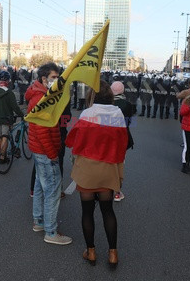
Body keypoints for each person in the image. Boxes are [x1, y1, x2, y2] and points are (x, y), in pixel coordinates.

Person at [65, 80, 128, 269]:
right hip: (108, 167)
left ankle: (91, 251)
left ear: (93, 95)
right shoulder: (118, 114)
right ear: (110, 95)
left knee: (87, 212)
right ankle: (113, 254)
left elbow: (74, 140)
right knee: (108, 211)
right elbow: (122, 144)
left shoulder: (87, 114)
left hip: (87, 168)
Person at [25, 62, 72, 245]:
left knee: (39, 185)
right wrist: (53, 153)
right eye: (54, 77)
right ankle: (51, 232)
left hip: (39, 150)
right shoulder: (41, 99)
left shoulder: (41, 94)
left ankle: (38, 221)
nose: (57, 80)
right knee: (52, 190)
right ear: (44, 79)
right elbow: (42, 130)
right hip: (45, 151)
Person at [0, 70, 24, 164]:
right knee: (5, 137)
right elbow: (15, 107)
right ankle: (3, 156)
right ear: (8, 81)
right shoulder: (9, 93)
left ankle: (2, 154)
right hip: (7, 119)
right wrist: (21, 114)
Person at [111, 81, 135, 202]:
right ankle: (117, 191)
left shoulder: (106, 102)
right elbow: (129, 121)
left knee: (107, 162)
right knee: (119, 163)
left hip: (106, 137)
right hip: (121, 138)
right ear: (123, 91)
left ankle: (105, 186)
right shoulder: (127, 104)